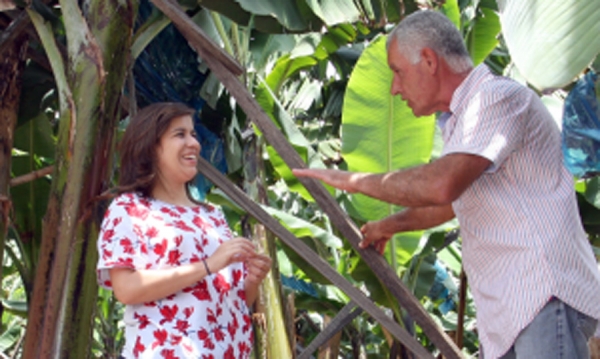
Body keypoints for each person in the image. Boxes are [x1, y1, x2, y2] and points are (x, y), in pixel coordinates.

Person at [293, 10, 600, 359]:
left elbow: (442, 186)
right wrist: (390, 225)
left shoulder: (495, 98)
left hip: (541, 293)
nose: (394, 88)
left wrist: (356, 181)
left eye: (397, 72)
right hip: (514, 308)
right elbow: (452, 202)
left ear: (428, 60)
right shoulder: (462, 122)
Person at [96, 102, 271, 359]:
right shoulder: (129, 209)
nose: (194, 143)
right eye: (180, 134)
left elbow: (234, 301)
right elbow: (126, 289)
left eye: (193, 134)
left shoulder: (212, 215)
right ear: (150, 146)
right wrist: (209, 264)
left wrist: (252, 281)